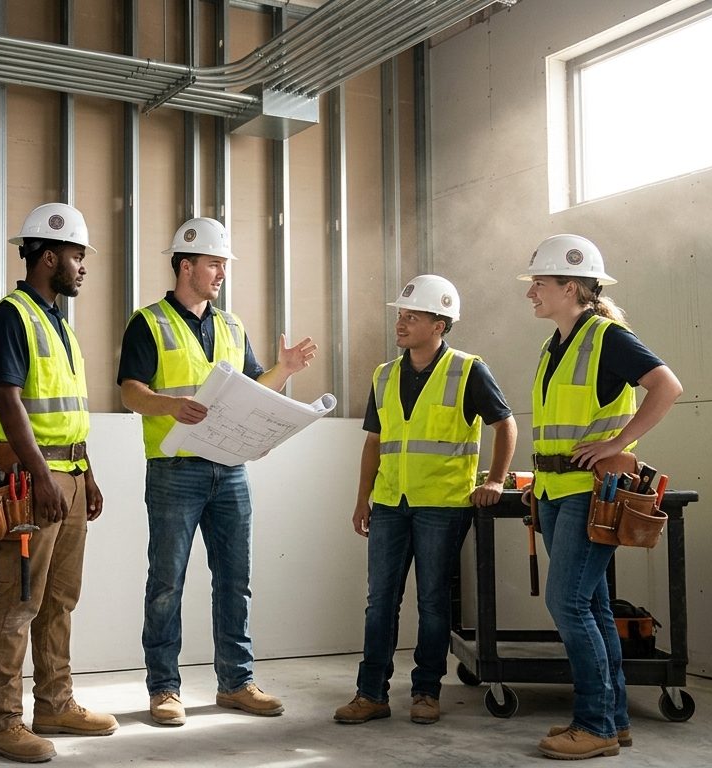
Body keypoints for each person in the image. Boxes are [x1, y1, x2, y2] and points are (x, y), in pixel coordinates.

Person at [117, 216, 317, 727]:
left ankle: (236, 683)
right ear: (186, 266)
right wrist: (169, 405)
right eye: (214, 263)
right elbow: (130, 391)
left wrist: (284, 371)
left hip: (230, 472)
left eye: (224, 263)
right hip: (175, 471)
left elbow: (253, 390)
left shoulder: (231, 325)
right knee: (167, 582)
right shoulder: (148, 322)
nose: (222, 272)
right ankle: (164, 688)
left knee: (235, 580)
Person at [520, 234, 682, 760]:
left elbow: (667, 386)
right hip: (555, 489)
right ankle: (613, 720)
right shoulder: (555, 345)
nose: (531, 294)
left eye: (539, 284)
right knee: (590, 603)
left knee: (567, 602)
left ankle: (594, 725)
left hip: (590, 492)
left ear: (570, 287)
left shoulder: (607, 337)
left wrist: (617, 443)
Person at [333, 275, 517, 727]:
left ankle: (426, 691)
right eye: (400, 315)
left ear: (440, 324)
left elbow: (505, 425)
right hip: (390, 503)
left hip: (443, 504)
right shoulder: (384, 374)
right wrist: (362, 499)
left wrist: (496, 480)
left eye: (412, 317)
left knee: (433, 602)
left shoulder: (468, 370)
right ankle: (370, 694)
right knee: (380, 602)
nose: (401, 323)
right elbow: (374, 442)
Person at [0, 202, 118, 763]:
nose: (83, 266)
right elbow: (8, 400)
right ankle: (1, 722)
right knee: (19, 599)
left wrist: (89, 474)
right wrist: (41, 475)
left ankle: (54, 703)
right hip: (32, 477)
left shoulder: (58, 322)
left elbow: (67, 414)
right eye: (77, 256)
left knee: (60, 598)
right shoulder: (10, 317)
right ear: (49, 256)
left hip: (71, 474)